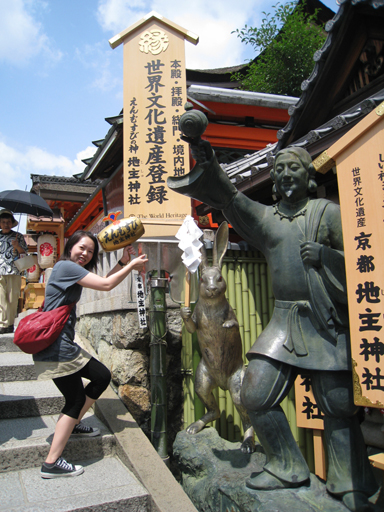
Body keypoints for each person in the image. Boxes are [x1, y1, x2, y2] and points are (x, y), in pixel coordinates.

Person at [167, 141, 378, 512]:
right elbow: (233, 201)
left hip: (325, 321)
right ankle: (286, 467)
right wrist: (206, 155)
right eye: (279, 170)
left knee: (339, 404)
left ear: (309, 176)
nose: (284, 174)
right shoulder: (269, 219)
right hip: (283, 322)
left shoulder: (326, 213)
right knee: (255, 392)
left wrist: (326, 255)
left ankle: (350, 483)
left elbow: (364, 264)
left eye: (293, 167)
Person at [34, 230, 148, 479]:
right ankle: (51, 462)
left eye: (90, 251)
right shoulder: (65, 266)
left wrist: (120, 261)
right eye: (81, 248)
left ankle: (72, 424)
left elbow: (101, 282)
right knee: (74, 401)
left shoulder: (69, 271)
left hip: (61, 346)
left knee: (101, 376)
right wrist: (131, 265)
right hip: (57, 348)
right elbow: (106, 285)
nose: (85, 254)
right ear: (70, 246)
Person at [0, 209, 27, 334]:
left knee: (12, 299)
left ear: (12, 223)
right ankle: (3, 323)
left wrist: (17, 246)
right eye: (3, 222)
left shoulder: (18, 236)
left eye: (8, 222)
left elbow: (24, 253)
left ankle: (10, 324)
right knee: (1, 299)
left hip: (14, 271)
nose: (6, 224)